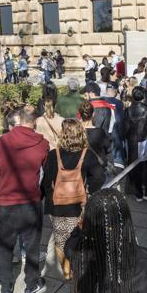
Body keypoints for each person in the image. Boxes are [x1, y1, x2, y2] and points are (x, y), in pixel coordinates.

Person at [0, 105, 49, 293]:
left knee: (5, 247)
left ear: (19, 119)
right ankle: (31, 284)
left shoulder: (4, 141)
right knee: (32, 246)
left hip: (7, 201)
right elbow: (43, 173)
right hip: (30, 202)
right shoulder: (42, 144)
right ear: (34, 121)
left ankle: (6, 289)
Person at [41, 120, 105, 280]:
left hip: (56, 206)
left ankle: (66, 271)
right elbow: (99, 177)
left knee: (60, 239)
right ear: (81, 134)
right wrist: (89, 190)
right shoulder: (87, 155)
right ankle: (76, 267)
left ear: (62, 135)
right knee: (76, 238)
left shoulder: (52, 155)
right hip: (78, 206)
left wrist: (46, 196)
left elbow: (45, 181)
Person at [125, 86, 147, 201]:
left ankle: (138, 193)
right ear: (143, 96)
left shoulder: (127, 110)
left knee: (136, 166)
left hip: (133, 140)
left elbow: (126, 128)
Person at [80, 100, 111, 168]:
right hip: (96, 167)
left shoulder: (76, 132)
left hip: (81, 167)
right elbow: (108, 148)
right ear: (93, 114)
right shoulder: (100, 132)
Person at [104, 82, 127, 169]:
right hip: (115, 132)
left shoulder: (102, 100)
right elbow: (120, 120)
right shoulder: (118, 103)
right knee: (117, 160)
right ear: (115, 91)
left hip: (104, 132)